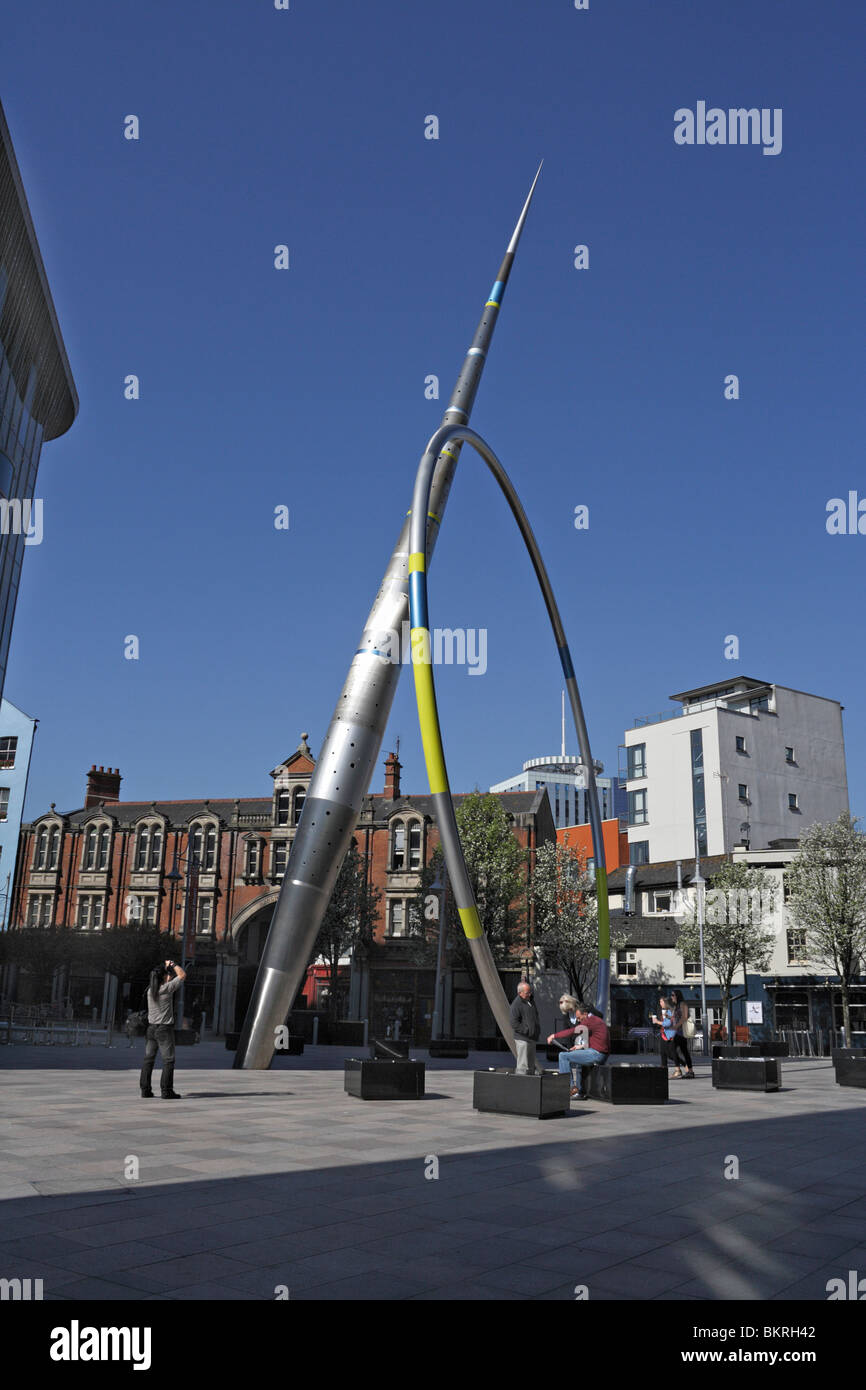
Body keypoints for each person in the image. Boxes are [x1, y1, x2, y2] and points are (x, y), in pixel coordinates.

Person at [139, 959, 186, 1099]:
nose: (170, 976)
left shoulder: (150, 991)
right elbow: (182, 975)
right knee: (169, 1060)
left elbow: (157, 976)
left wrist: (162, 968)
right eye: (167, 975)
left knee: (148, 1059)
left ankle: (145, 1090)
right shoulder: (166, 989)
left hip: (151, 1029)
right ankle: (166, 1091)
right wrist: (172, 964)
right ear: (163, 978)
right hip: (164, 1030)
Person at [548, 1001, 610, 1099]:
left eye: (579, 1017)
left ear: (585, 1014)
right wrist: (580, 1047)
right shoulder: (596, 1020)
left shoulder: (589, 1021)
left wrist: (554, 1036)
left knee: (563, 1056)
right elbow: (598, 1040)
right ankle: (580, 1091)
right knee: (574, 1056)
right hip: (600, 1053)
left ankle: (570, 1088)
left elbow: (572, 1031)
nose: (578, 1020)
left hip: (597, 1054)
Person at [510, 980, 542, 1075]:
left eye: (530, 992)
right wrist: (526, 1030)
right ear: (519, 993)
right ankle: (521, 1084)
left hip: (531, 1037)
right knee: (523, 1065)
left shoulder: (530, 1001)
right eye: (527, 992)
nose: (529, 994)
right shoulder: (516, 1004)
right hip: (522, 1038)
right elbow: (513, 1023)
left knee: (531, 1064)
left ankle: (531, 1084)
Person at [650, 995, 678, 1076]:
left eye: (661, 1001)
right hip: (664, 1034)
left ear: (665, 1002)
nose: (660, 1003)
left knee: (671, 1053)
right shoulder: (665, 1011)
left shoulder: (669, 1011)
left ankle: (681, 1065)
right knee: (663, 1052)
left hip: (670, 1035)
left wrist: (657, 1021)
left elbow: (668, 1023)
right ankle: (664, 1069)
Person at [670, 989, 695, 1077]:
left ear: (677, 996)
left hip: (681, 1032)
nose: (671, 997)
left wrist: (676, 1026)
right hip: (676, 1032)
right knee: (684, 1051)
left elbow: (684, 1017)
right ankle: (690, 1071)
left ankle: (679, 1070)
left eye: (673, 995)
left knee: (672, 1049)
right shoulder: (675, 1006)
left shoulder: (683, 1004)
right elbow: (674, 1018)